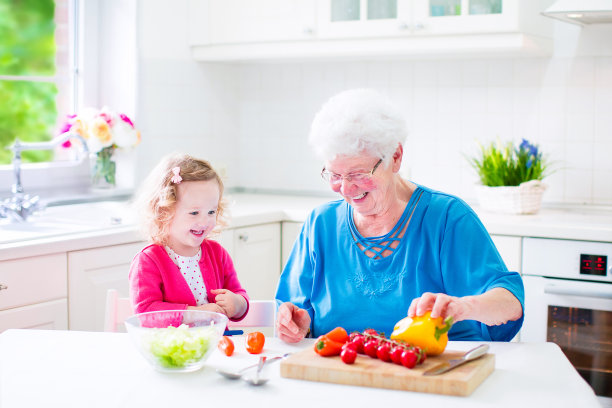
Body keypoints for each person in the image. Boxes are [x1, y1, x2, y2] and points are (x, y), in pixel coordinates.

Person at [275, 89, 524, 343]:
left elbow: (510, 303)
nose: (346, 189)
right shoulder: (321, 224)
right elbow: (294, 310)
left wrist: (464, 307)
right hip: (341, 374)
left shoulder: (447, 219)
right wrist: (298, 325)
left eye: (359, 173)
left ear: (395, 157)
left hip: (433, 375)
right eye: (336, 175)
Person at [129, 153, 249, 321]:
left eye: (211, 212)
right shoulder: (148, 261)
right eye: (194, 212)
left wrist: (238, 304)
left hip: (215, 345)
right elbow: (146, 313)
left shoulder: (218, 254)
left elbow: (238, 293)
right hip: (169, 347)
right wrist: (195, 314)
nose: (204, 221)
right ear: (165, 211)